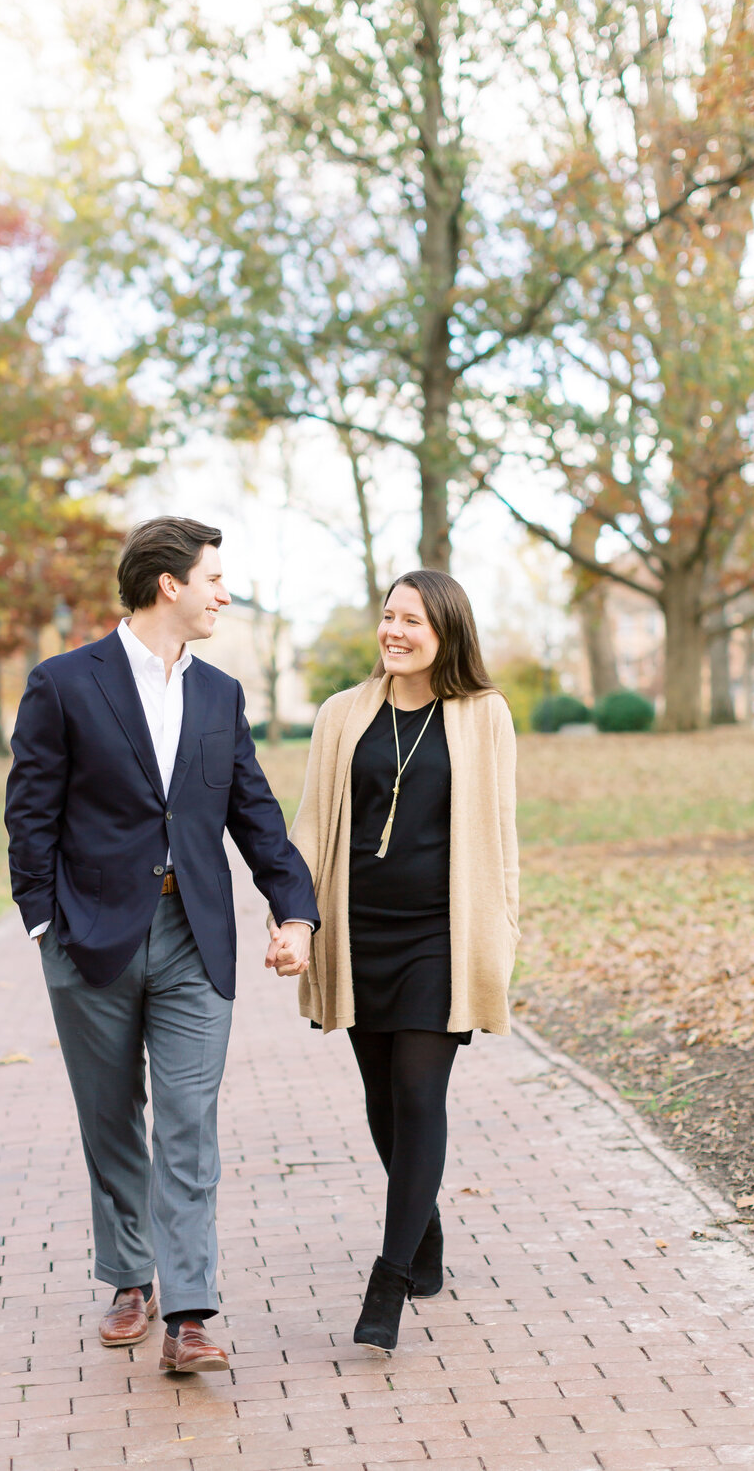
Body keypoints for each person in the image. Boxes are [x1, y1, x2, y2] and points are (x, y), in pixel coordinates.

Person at [4, 516, 318, 1374]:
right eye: (213, 578)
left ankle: (188, 1312)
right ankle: (128, 1279)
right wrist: (42, 925)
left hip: (194, 939)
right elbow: (29, 815)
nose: (224, 592)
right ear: (167, 585)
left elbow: (253, 811)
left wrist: (296, 909)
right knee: (111, 1119)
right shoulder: (64, 684)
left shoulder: (220, 695)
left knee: (188, 1125)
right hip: (89, 939)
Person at [286, 569, 519, 1353]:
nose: (394, 631)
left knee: (420, 1091)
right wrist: (296, 918)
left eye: (411, 621)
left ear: (445, 631)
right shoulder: (341, 715)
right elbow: (313, 824)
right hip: (360, 934)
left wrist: (504, 928)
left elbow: (501, 836)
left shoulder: (483, 716)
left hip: (439, 937)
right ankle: (424, 1228)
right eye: (388, 617)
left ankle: (389, 1277)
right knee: (384, 1100)